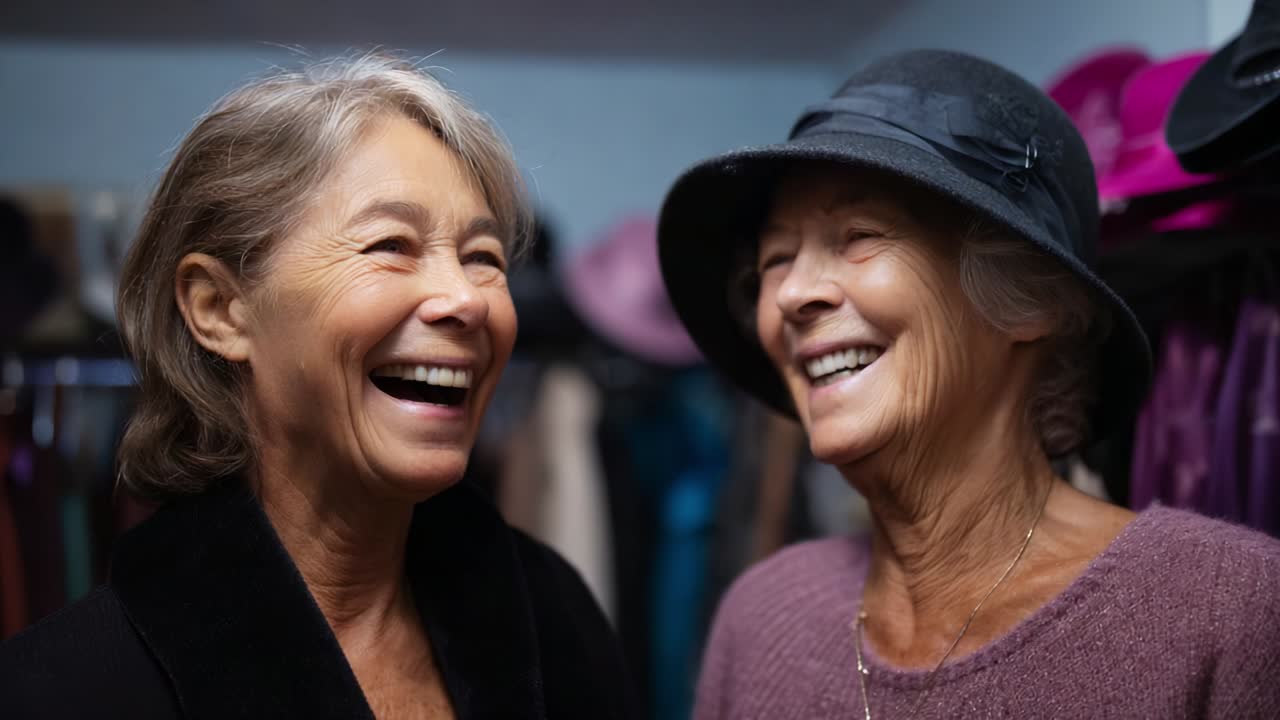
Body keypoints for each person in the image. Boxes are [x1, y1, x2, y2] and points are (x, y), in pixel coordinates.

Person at [0, 54, 632, 720]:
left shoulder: (555, 620)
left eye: (484, 258)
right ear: (220, 308)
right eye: (391, 244)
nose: (466, 300)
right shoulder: (60, 691)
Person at [657, 49, 1280, 719]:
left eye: (859, 235)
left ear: (1029, 301)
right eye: (776, 260)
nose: (793, 294)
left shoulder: (1227, 611)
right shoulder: (762, 618)